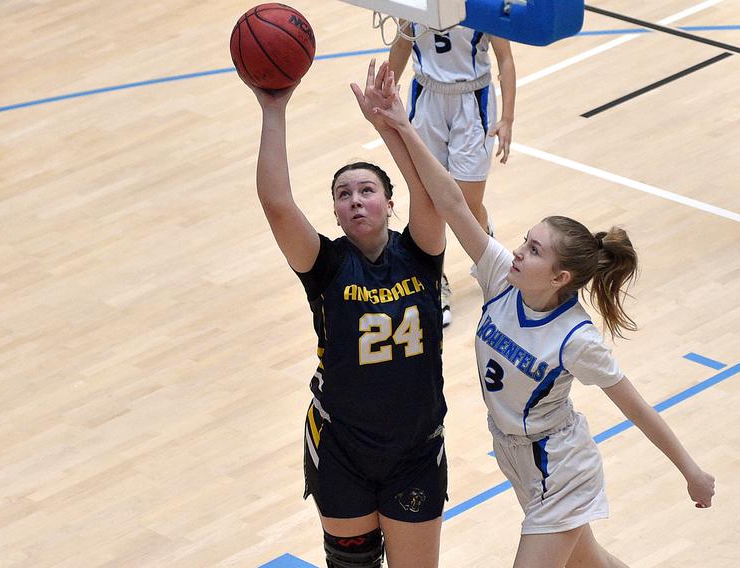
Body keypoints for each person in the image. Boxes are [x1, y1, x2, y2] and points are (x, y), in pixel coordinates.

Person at [365, 61, 716, 568]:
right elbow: (452, 203)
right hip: (518, 459)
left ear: (559, 278)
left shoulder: (576, 339)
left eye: (532, 250)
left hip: (562, 467)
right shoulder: (498, 277)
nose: (518, 252)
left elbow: (635, 407)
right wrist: (399, 125)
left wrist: (691, 471)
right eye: (525, 242)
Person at [249, 61, 448, 568]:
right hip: (342, 447)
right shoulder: (326, 264)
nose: (356, 200)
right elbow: (276, 203)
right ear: (335, 213)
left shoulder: (421, 253)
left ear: (389, 203)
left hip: (415, 452)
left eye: (367, 191)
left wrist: (392, 125)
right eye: (344, 195)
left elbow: (431, 193)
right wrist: (274, 108)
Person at [388, 21, 517, 325]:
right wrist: (385, 91)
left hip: (473, 100)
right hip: (426, 96)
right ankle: (435, 280)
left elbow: (506, 58)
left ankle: (490, 256)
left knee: (467, 206)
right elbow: (403, 42)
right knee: (428, 200)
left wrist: (508, 118)